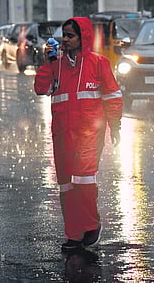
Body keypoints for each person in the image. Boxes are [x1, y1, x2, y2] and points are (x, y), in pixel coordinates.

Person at [34, 17, 123, 252]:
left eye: (70, 35)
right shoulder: (57, 65)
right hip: (62, 134)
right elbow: (41, 89)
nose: (65, 39)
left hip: (89, 134)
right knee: (66, 185)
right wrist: (47, 63)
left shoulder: (98, 63)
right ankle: (73, 234)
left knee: (84, 180)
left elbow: (113, 95)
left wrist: (115, 124)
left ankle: (91, 226)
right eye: (63, 34)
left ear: (82, 38)